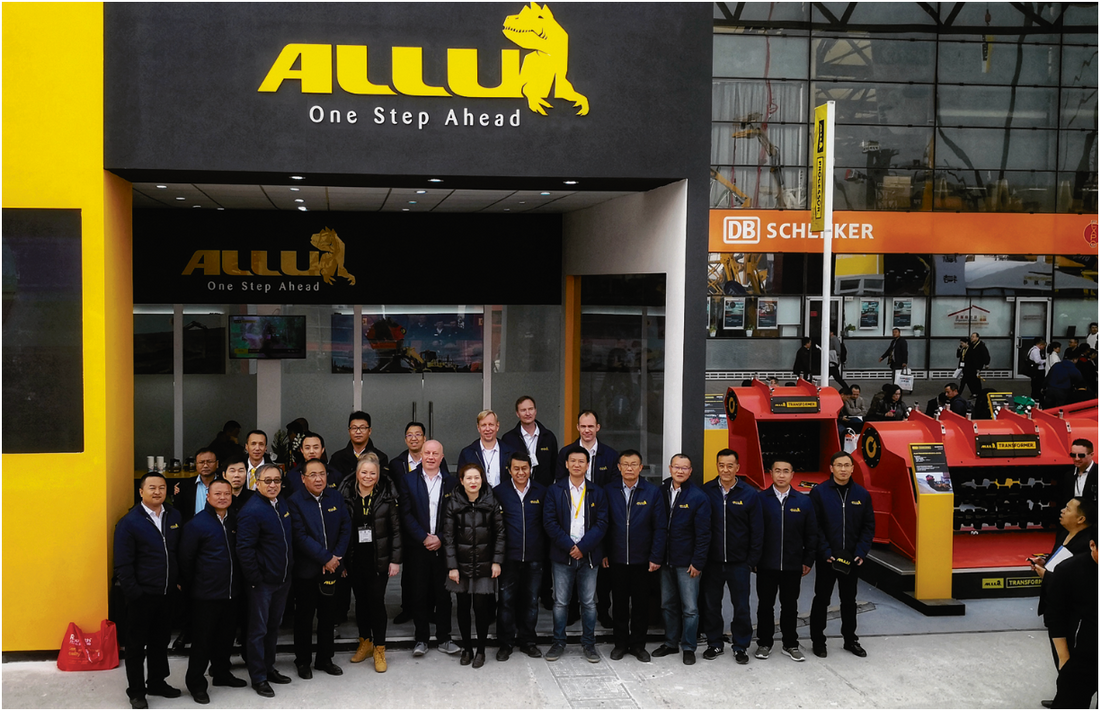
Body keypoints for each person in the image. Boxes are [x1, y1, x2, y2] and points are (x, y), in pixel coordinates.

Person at [114, 472, 183, 709]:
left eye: (162, 487)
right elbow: (123, 563)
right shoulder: (129, 522)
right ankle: (136, 691)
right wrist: (134, 593)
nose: (157, 492)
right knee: (135, 646)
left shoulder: (174, 515)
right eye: (152, 487)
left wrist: (177, 581)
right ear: (141, 491)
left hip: (167, 593)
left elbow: (178, 552)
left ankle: (156, 682)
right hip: (141, 595)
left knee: (160, 642)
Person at [179, 479, 248, 704]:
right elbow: (186, 560)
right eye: (217, 494)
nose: (222, 497)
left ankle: (221, 673)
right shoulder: (196, 524)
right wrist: (193, 587)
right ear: (208, 496)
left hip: (232, 592)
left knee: (225, 638)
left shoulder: (235, 520)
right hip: (205, 595)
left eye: (226, 493)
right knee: (202, 642)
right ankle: (196, 683)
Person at [543, 446, 609, 663]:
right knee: (560, 602)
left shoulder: (597, 491)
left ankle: (589, 644)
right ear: (566, 464)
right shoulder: (555, 490)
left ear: (587, 465)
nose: (577, 465)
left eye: (581, 461)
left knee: (588, 603)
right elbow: (549, 522)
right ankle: (558, 642)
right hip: (562, 555)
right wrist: (569, 546)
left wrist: (583, 547)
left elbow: (602, 523)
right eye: (573, 461)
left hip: (588, 556)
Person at [288, 458, 351, 680]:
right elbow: (299, 536)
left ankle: (325, 658)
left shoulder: (335, 497)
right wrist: (325, 558)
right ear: (303, 478)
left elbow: (345, 527)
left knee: (328, 616)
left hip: (332, 569)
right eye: (313, 474)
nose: (318, 479)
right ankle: (302, 661)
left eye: (322, 474)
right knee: (304, 618)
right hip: (306, 571)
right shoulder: (294, 501)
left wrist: (336, 558)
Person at [809, 451, 876, 659]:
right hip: (827, 558)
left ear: (853, 468)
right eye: (839, 465)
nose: (843, 469)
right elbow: (815, 526)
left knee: (849, 600)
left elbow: (868, 526)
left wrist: (861, 552)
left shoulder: (862, 494)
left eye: (847, 465)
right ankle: (818, 641)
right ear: (831, 468)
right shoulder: (819, 493)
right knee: (822, 599)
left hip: (852, 559)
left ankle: (850, 639)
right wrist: (825, 552)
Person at [338, 452, 401, 673]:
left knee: (376, 601)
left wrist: (395, 560)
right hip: (355, 558)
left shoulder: (386, 496)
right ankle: (364, 642)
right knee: (361, 602)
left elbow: (396, 530)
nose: (368, 476)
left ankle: (380, 648)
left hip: (379, 559)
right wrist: (341, 561)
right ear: (357, 473)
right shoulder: (346, 495)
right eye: (364, 472)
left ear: (378, 475)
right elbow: (340, 530)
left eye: (372, 473)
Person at [602, 449, 666, 663]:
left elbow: (660, 527)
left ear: (641, 467)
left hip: (643, 560)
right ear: (619, 467)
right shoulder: (609, 490)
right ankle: (620, 644)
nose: (629, 468)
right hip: (616, 558)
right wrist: (604, 552)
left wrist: (656, 556)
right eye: (625, 464)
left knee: (640, 605)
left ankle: (638, 645)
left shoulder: (652, 492)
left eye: (634, 464)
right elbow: (602, 524)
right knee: (619, 604)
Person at [236, 463, 294, 697]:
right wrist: (255, 579)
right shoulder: (251, 510)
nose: (272, 485)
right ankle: (258, 677)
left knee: (272, 627)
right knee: (257, 631)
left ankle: (269, 668)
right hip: (262, 583)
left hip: (282, 579)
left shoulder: (281, 504)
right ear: (256, 483)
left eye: (276, 481)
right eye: (267, 481)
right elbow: (244, 549)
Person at [400, 439, 462, 656]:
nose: (431, 457)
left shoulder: (451, 483)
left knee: (443, 595)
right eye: (427, 453)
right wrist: (423, 537)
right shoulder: (408, 480)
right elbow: (405, 514)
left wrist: (441, 538)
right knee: (419, 594)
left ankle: (444, 638)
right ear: (421, 455)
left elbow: (455, 516)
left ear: (442, 457)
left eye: (436, 453)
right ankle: (421, 639)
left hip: (443, 548)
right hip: (418, 548)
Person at [700, 449, 762, 664]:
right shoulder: (706, 491)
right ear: (717, 466)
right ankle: (714, 643)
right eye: (721, 465)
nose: (725, 470)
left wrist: (751, 561)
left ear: (737, 467)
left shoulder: (749, 494)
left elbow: (757, 530)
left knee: (742, 606)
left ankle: (740, 646)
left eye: (730, 465)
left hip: (739, 563)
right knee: (711, 605)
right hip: (712, 562)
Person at [443, 463, 505, 668]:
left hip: (485, 563)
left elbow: (500, 534)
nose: (473, 482)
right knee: (462, 607)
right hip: (460, 565)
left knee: (481, 608)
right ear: (461, 481)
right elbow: (449, 538)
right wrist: (452, 566)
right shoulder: (453, 503)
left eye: (476, 478)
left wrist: (496, 561)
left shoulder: (491, 502)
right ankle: (467, 648)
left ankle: (481, 650)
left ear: (482, 480)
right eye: (468, 478)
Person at [756, 458, 817, 662]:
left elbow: (811, 534)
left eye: (785, 471)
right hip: (766, 565)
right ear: (770, 473)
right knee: (765, 606)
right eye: (777, 471)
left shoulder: (803, 502)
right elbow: (753, 532)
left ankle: (790, 644)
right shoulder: (760, 500)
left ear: (792, 475)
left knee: (790, 606)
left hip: (793, 565)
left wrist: (808, 559)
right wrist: (754, 559)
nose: (781, 475)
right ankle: (764, 643)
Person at [652, 454, 711, 665]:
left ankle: (688, 646)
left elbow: (704, 534)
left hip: (687, 563)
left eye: (684, 468)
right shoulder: (660, 492)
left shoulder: (698, 496)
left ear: (690, 471)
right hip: (665, 560)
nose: (680, 471)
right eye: (676, 467)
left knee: (690, 608)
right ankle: (670, 643)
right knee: (667, 604)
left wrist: (698, 562)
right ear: (670, 468)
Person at [494, 451, 547, 660]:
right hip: (509, 557)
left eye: (524, 468)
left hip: (535, 556)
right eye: (516, 468)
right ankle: (505, 643)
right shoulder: (499, 492)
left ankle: (528, 641)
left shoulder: (541, 491)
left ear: (530, 469)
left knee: (531, 601)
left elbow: (547, 523)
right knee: (506, 601)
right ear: (509, 470)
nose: (521, 472)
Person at [1031, 497, 1093, 677]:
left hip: (1072, 612)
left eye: (1068, 509)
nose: (1062, 511)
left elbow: (1078, 583)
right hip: (1054, 606)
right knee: (1059, 656)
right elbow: (1059, 561)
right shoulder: (1064, 534)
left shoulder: (1087, 545)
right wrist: (1045, 562)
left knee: (1070, 658)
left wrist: (1047, 576)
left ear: (1081, 519)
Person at [1045, 533, 1098, 709]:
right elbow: (1055, 616)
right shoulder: (1068, 570)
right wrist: (1063, 659)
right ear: (1092, 545)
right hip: (1081, 657)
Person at [501, 395, 560, 488]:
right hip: (517, 491)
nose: (528, 413)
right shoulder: (508, 439)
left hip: (543, 491)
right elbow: (506, 468)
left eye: (530, 409)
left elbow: (554, 467)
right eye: (523, 410)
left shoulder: (548, 437)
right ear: (517, 413)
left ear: (535, 411)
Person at [555, 410, 620, 486]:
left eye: (590, 426)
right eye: (583, 426)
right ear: (578, 427)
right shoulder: (565, 453)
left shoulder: (611, 455)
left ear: (598, 427)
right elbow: (560, 483)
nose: (587, 430)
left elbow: (614, 485)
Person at [457, 410, 517, 489]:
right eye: (483, 425)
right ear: (478, 428)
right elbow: (460, 482)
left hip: (504, 496)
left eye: (491, 425)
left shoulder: (510, 452)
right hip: (477, 496)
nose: (487, 429)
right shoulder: (467, 453)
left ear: (497, 426)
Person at [328, 411, 390, 481]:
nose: (358, 432)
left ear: (369, 431)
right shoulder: (337, 458)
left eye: (362, 428)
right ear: (349, 431)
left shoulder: (380, 458)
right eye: (354, 428)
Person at [284, 432, 341, 496]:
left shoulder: (334, 474)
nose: (311, 451)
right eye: (307, 448)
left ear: (322, 449)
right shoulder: (292, 476)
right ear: (301, 450)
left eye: (316, 447)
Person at [174, 448, 221, 524]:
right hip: (192, 528)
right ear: (196, 465)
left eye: (209, 462)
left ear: (217, 464)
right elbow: (178, 512)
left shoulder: (225, 485)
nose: (205, 465)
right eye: (201, 462)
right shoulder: (184, 486)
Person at [1059, 439, 1097, 511]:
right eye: (1073, 455)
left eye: (1081, 455)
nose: (1076, 459)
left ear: (1091, 455)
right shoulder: (1068, 476)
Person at [961, 332, 990, 399]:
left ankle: (978, 392)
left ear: (977, 338)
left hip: (977, 365)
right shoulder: (971, 345)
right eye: (971, 336)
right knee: (970, 379)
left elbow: (985, 355)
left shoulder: (981, 346)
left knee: (975, 379)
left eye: (973, 337)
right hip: (971, 365)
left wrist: (986, 363)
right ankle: (974, 392)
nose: (972, 338)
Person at [1026, 337, 1047, 402]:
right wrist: (1045, 361)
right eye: (1043, 346)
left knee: (1034, 385)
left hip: (1034, 371)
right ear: (1040, 344)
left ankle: (1034, 398)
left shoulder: (1032, 349)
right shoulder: (1036, 350)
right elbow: (1037, 361)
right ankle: (1037, 399)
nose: (1043, 348)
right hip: (1038, 371)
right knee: (1038, 386)